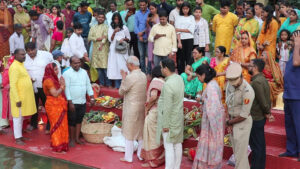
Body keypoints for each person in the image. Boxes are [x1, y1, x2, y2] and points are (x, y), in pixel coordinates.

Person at [192, 64, 225, 169]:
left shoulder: (211, 87)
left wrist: (214, 128)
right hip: (212, 122)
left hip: (212, 124)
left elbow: (213, 108)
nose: (198, 79)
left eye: (198, 76)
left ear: (204, 75)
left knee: (210, 147)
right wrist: (203, 100)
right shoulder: (213, 84)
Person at [225, 62, 255, 169]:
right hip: (232, 120)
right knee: (237, 154)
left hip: (242, 122)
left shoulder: (247, 91)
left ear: (241, 76)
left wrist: (229, 122)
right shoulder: (230, 84)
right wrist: (229, 120)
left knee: (240, 155)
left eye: (235, 81)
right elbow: (228, 103)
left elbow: (243, 115)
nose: (234, 84)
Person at [156, 58, 184, 169]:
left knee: (169, 147)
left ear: (166, 69)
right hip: (178, 117)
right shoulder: (179, 78)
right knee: (177, 144)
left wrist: (166, 125)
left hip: (170, 119)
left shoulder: (168, 85)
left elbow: (167, 107)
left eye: (161, 67)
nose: (161, 69)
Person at [119, 56, 147, 162]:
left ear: (131, 65)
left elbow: (121, 91)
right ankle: (140, 154)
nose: (126, 66)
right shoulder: (143, 75)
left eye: (127, 64)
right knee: (140, 132)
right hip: (141, 106)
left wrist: (123, 78)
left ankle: (128, 157)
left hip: (131, 107)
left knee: (129, 132)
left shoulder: (130, 77)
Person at [63, 56, 94, 147]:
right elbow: (67, 88)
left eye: (78, 62)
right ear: (71, 64)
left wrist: (91, 97)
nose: (77, 65)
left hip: (82, 101)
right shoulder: (67, 73)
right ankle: (72, 139)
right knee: (72, 121)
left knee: (79, 120)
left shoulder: (84, 72)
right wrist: (70, 102)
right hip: (72, 102)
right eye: (75, 63)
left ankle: (77, 139)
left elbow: (88, 85)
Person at [248, 58, 273, 169]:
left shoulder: (256, 82)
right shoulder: (261, 79)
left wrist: (268, 112)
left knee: (257, 146)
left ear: (256, 68)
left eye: (250, 66)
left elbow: (263, 101)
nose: (248, 67)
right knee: (260, 145)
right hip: (259, 117)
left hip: (256, 117)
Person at [279, 30, 300, 161]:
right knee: (290, 125)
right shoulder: (293, 51)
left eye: (294, 39)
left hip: (297, 95)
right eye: (292, 39)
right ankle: (291, 150)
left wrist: (297, 45)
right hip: (288, 94)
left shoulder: (297, 51)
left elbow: (296, 63)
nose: (291, 42)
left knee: (298, 124)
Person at [9, 48, 37, 145]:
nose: (24, 56)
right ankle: (17, 138)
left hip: (24, 97)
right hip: (19, 98)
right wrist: (17, 99)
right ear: (15, 55)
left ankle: (20, 136)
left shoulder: (21, 65)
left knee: (21, 118)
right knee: (17, 118)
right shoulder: (14, 67)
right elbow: (13, 84)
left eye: (24, 54)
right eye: (22, 54)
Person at [24, 42, 53, 131]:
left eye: (32, 50)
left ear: (36, 48)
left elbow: (53, 66)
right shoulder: (24, 58)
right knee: (33, 106)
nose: (30, 52)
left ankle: (50, 124)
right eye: (28, 51)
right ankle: (33, 124)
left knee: (47, 105)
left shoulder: (46, 55)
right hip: (31, 86)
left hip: (44, 85)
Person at [141, 65, 165, 168]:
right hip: (162, 111)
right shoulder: (164, 82)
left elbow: (154, 96)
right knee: (158, 137)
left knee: (151, 137)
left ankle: (153, 162)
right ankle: (160, 159)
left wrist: (147, 107)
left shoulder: (155, 82)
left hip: (154, 112)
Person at [43, 63, 69, 153]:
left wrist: (62, 86)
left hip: (59, 104)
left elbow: (59, 92)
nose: (57, 71)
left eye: (57, 69)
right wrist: (62, 86)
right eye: (55, 69)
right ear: (50, 71)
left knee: (62, 125)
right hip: (53, 105)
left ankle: (62, 145)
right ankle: (57, 146)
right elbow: (55, 94)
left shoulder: (54, 79)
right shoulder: (49, 81)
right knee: (56, 126)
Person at [107, 13, 131, 88]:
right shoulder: (110, 28)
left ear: (120, 19)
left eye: (117, 19)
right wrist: (114, 32)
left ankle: (123, 83)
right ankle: (116, 85)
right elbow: (110, 40)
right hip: (114, 48)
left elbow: (129, 38)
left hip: (122, 48)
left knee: (122, 64)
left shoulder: (124, 27)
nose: (116, 20)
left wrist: (123, 39)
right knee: (114, 65)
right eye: (115, 19)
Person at [88, 10, 111, 88]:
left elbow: (105, 37)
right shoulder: (93, 27)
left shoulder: (106, 27)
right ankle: (101, 83)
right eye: (99, 17)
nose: (101, 19)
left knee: (105, 67)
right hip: (95, 49)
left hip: (103, 49)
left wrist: (101, 43)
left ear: (104, 19)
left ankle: (108, 84)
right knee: (98, 67)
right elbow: (89, 37)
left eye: (102, 17)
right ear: (96, 18)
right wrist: (98, 38)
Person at [175, 2, 195, 74]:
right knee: (181, 58)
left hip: (189, 39)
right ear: (181, 9)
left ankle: (189, 73)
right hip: (181, 40)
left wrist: (180, 29)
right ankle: (181, 74)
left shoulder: (192, 17)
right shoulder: (178, 17)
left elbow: (191, 30)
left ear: (189, 9)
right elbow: (177, 31)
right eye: (183, 8)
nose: (185, 10)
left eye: (187, 8)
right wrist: (179, 42)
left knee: (189, 57)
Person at [134, 0, 150, 73]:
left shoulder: (150, 12)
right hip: (139, 38)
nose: (142, 7)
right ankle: (143, 71)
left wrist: (142, 32)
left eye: (144, 5)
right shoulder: (137, 13)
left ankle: (149, 71)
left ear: (147, 4)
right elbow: (135, 26)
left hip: (148, 37)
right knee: (142, 56)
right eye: (141, 5)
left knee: (149, 56)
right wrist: (139, 35)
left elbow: (150, 26)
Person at [146, 2, 159, 69]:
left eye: (153, 9)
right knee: (151, 56)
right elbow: (148, 29)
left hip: (158, 39)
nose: (151, 10)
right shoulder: (149, 16)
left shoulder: (159, 17)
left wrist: (154, 22)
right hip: (151, 38)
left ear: (156, 8)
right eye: (150, 9)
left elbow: (161, 28)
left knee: (156, 55)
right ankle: (153, 71)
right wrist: (147, 22)